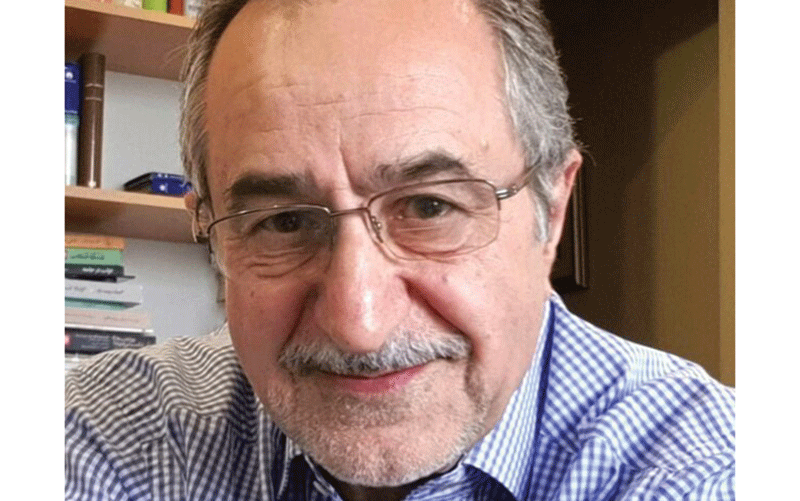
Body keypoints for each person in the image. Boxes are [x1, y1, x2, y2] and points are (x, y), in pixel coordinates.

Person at [65, 0, 735, 499]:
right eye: (285, 222)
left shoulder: (709, 468)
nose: (357, 324)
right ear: (210, 230)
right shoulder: (110, 436)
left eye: (429, 207)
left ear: (551, 211)